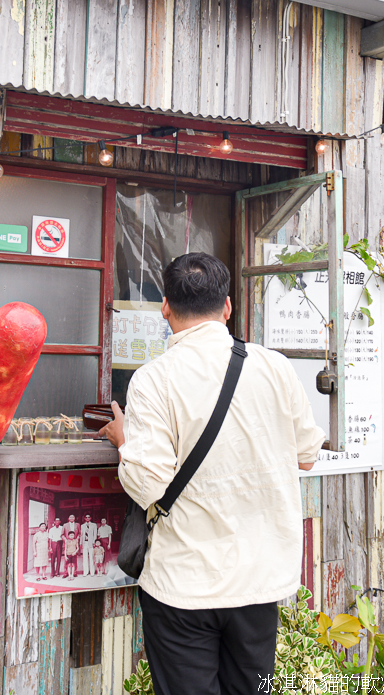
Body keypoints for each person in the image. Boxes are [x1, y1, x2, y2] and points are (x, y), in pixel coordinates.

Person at [99, 252, 323, 695]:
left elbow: (148, 484)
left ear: (166, 307)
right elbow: (307, 455)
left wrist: (124, 440)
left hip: (185, 583)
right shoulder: (274, 366)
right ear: (227, 307)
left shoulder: (153, 379)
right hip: (259, 581)